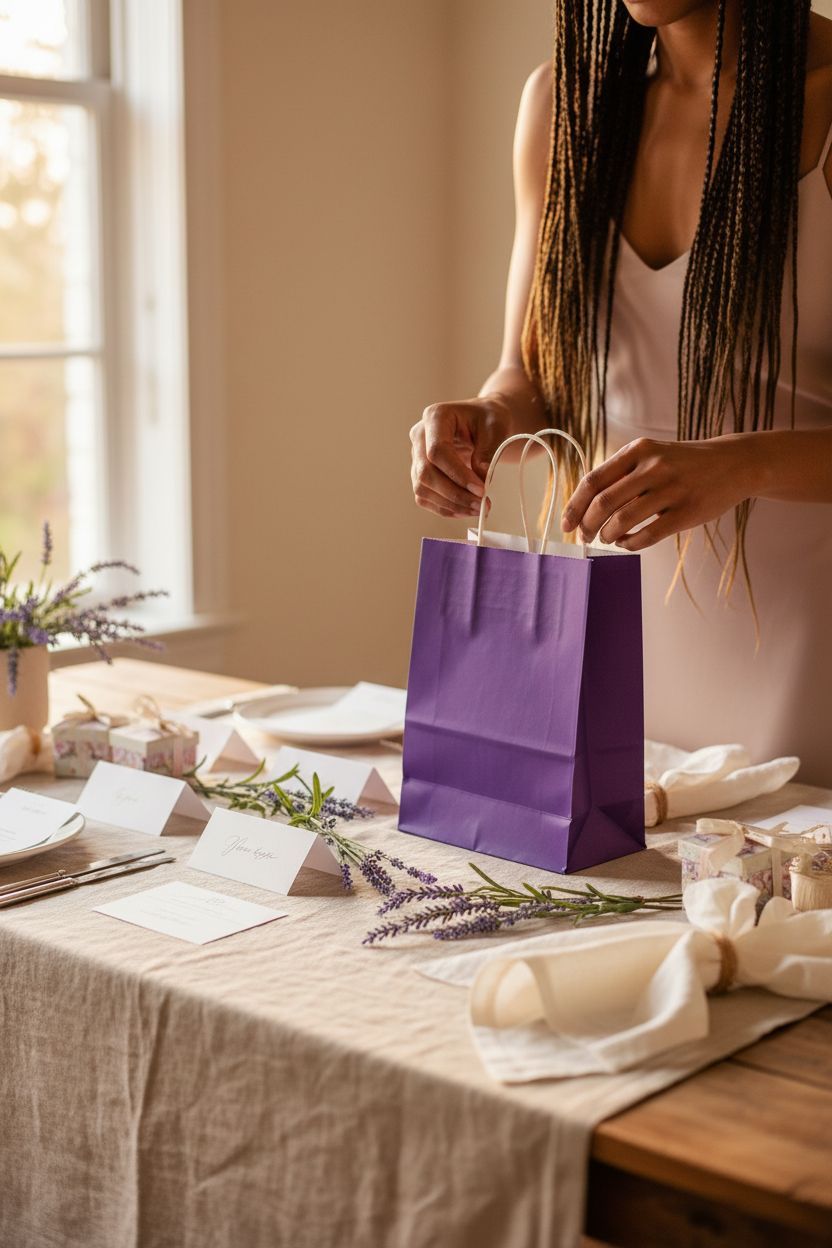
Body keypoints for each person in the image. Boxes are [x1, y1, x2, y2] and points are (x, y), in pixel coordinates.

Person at [409, 0, 832, 785]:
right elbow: (528, 374)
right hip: (611, 630)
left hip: (808, 651)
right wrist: (487, 419)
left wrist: (744, 463)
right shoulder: (563, 104)